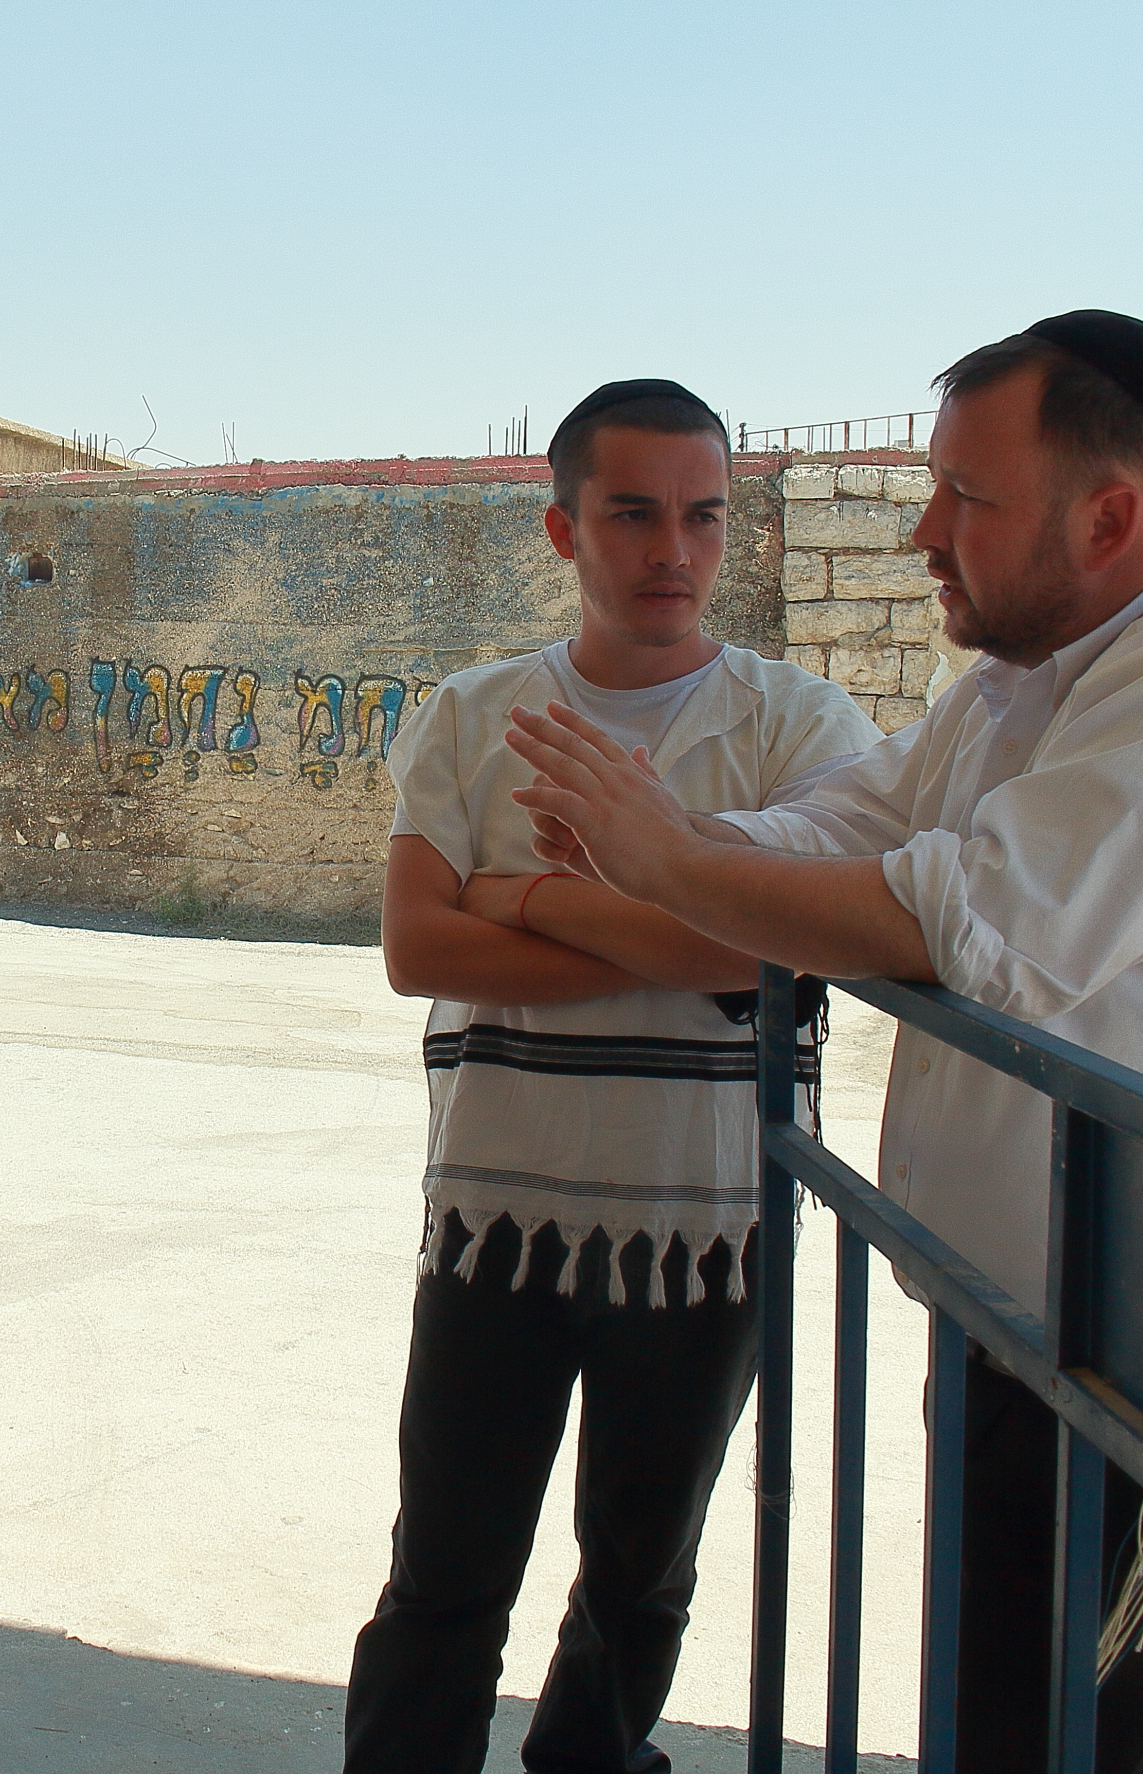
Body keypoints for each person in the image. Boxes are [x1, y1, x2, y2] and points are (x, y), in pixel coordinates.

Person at [505, 313, 1143, 1773]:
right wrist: (667, 842)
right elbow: (856, 824)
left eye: (966, 499)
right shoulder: (1014, 685)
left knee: (1061, 1728)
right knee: (1079, 1721)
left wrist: (665, 861)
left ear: (1108, 514)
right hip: (1045, 1318)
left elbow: (970, 918)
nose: (925, 531)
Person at [345, 379, 882, 1774]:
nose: (673, 551)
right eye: (632, 513)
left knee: (639, 1580)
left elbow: (770, 949)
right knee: (445, 1574)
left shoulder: (800, 727)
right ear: (561, 528)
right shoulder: (474, 718)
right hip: (498, 1219)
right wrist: (696, 921)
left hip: (706, 1231)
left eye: (702, 515)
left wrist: (528, 901)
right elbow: (415, 945)